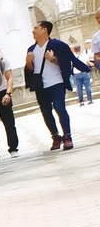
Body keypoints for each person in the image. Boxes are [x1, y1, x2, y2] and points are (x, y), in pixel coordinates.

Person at [25, 20, 91, 150]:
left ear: (44, 30)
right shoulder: (31, 50)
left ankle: (67, 136)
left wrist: (53, 59)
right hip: (40, 86)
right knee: (46, 112)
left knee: (59, 108)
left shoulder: (57, 45)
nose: (33, 31)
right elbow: (30, 70)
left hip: (56, 83)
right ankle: (55, 136)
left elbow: (68, 62)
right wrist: (28, 62)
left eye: (36, 28)